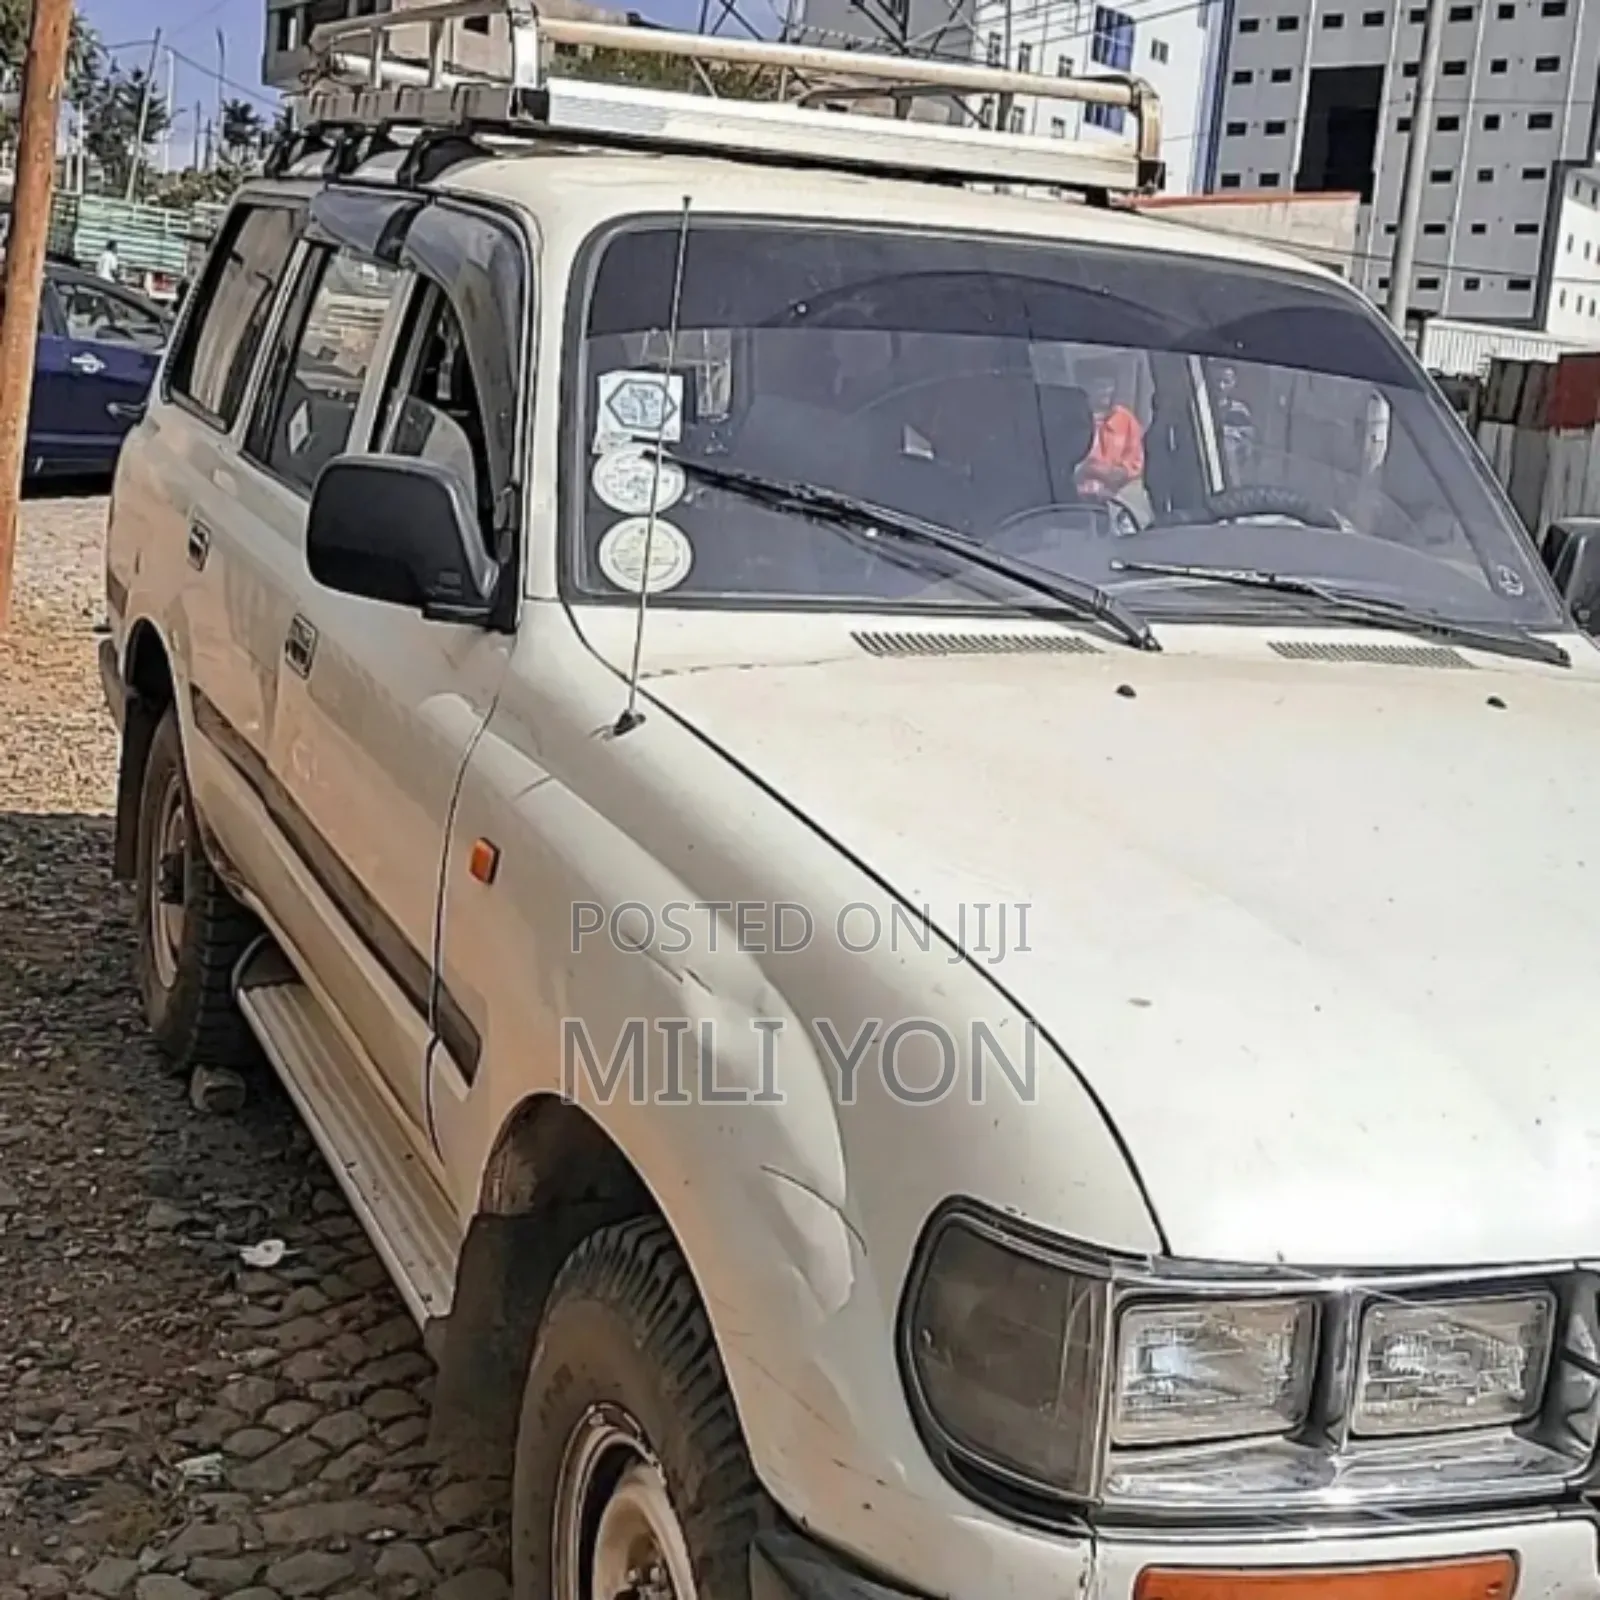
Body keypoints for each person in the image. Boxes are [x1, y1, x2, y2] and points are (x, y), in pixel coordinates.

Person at [1075, 360, 1144, 500]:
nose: (1105, 390)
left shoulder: (1126, 420)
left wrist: (1109, 473)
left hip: (1118, 500)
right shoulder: (1072, 418)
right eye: (1098, 385)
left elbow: (1135, 465)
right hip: (1074, 500)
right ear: (1085, 388)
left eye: (1109, 385)